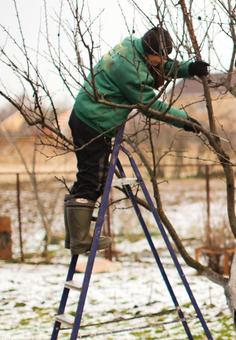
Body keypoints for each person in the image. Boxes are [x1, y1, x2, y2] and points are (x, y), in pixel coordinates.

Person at [65, 26, 210, 254]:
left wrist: (188, 68)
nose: (162, 61)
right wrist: (184, 120)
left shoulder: (134, 48)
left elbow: (157, 68)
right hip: (93, 122)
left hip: (88, 115)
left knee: (87, 175)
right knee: (93, 179)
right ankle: (80, 239)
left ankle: (74, 236)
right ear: (149, 50)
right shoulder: (129, 71)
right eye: (160, 57)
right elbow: (150, 105)